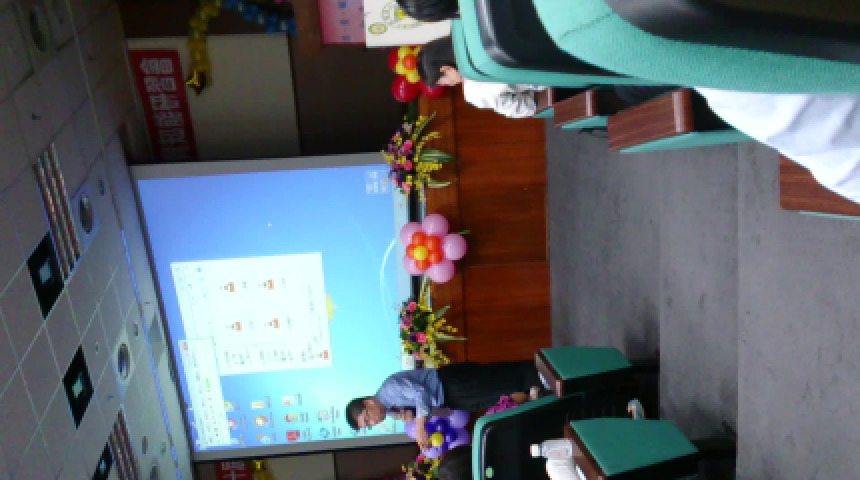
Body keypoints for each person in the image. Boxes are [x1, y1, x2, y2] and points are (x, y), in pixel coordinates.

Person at [345, 361, 546, 449]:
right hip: (452, 400)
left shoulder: (389, 389)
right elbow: (435, 410)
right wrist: (415, 416)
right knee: (499, 398)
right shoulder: (391, 412)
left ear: (368, 402)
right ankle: (545, 389)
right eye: (368, 425)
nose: (373, 422)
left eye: (367, 418)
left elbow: (421, 392)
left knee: (501, 380)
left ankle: (544, 371)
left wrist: (420, 425)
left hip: (451, 383)